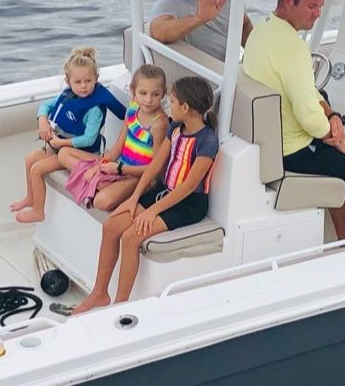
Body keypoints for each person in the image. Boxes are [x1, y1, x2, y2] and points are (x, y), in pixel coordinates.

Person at [239, 0, 345, 240]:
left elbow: (311, 96)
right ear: (287, 1)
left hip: (273, 141)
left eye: (320, 6)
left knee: (340, 160)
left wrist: (331, 115)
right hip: (293, 151)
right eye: (311, 6)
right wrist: (343, 142)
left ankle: (343, 241)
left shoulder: (262, 31)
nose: (318, 14)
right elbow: (308, 117)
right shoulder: (292, 48)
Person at [73, 74, 220, 312]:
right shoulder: (176, 127)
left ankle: (119, 305)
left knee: (131, 237)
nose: (169, 106)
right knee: (111, 226)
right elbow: (155, 166)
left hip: (188, 204)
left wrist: (151, 211)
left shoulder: (208, 141)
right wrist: (134, 199)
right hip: (165, 193)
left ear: (185, 107)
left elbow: (189, 186)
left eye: (172, 102)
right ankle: (99, 294)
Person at [12, 46, 127, 224]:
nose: (83, 86)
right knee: (29, 160)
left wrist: (60, 144)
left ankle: (38, 211)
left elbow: (88, 139)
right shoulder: (68, 96)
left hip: (81, 152)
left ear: (96, 79)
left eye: (88, 81)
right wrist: (42, 120)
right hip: (58, 145)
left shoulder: (94, 108)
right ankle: (30, 197)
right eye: (78, 82)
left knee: (37, 169)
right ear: (68, 81)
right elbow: (46, 106)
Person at [65, 62, 168, 212]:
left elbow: (156, 168)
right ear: (133, 90)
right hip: (119, 165)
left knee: (101, 201)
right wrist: (98, 167)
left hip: (139, 175)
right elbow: (117, 149)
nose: (148, 99)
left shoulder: (159, 124)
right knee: (64, 153)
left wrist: (120, 169)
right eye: (143, 93)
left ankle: (102, 184)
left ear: (163, 93)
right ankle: (100, 182)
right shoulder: (133, 109)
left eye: (155, 94)